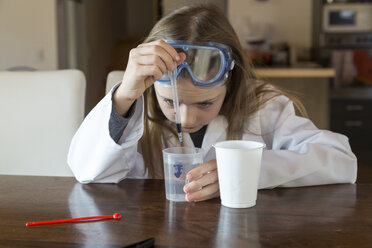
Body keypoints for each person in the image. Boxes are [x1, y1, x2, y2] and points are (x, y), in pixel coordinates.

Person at [68, 4, 357, 202]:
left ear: (229, 83)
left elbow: (341, 161)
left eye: (205, 104)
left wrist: (246, 170)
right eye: (170, 101)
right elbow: (87, 173)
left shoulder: (264, 107)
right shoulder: (133, 111)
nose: (185, 119)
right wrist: (123, 98)